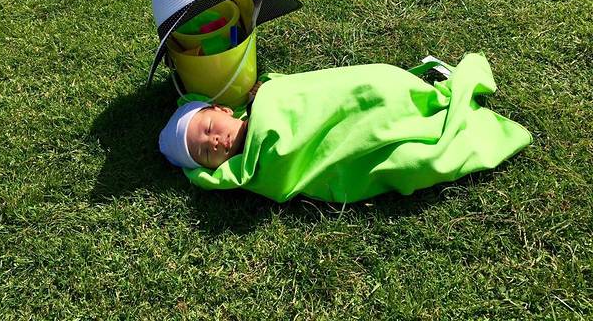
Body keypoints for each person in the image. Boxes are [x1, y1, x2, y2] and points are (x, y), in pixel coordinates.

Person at [159, 53, 532, 203]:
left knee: (379, 86)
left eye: (209, 127)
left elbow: (318, 92)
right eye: (205, 151)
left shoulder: (267, 95)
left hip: (362, 96)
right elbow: (298, 165)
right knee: (412, 159)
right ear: (210, 170)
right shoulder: (256, 172)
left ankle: (422, 96)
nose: (215, 140)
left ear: (223, 109)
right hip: (355, 144)